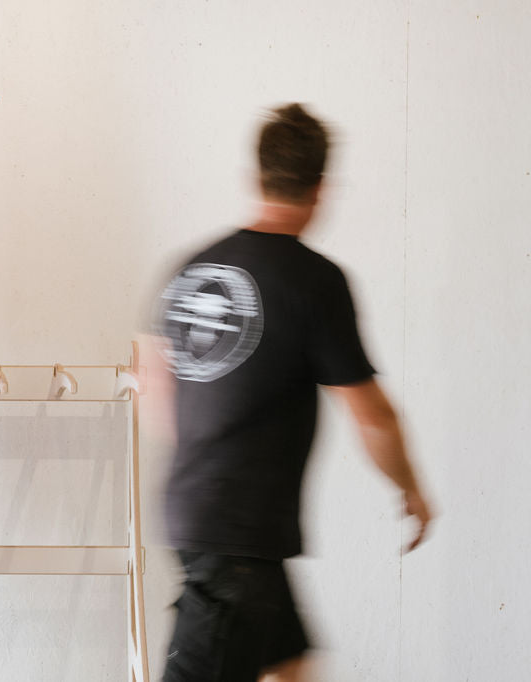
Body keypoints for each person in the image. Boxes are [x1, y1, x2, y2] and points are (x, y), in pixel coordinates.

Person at [148, 103, 433, 682]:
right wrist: (411, 488)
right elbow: (372, 417)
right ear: (322, 189)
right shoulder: (315, 281)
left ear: (258, 177)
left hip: (209, 521)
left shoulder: (193, 268)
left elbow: (155, 378)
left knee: (294, 667)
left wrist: (204, 453)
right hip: (239, 539)